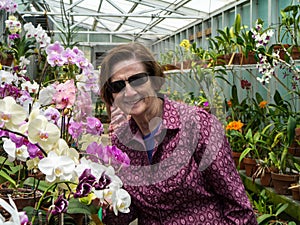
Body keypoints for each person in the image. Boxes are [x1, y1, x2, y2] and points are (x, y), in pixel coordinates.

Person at [99, 42, 258, 225]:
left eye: (138, 79)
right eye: (118, 86)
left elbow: (239, 208)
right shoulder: (121, 142)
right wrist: (104, 199)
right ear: (111, 96)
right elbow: (127, 212)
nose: (129, 92)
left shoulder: (197, 125)